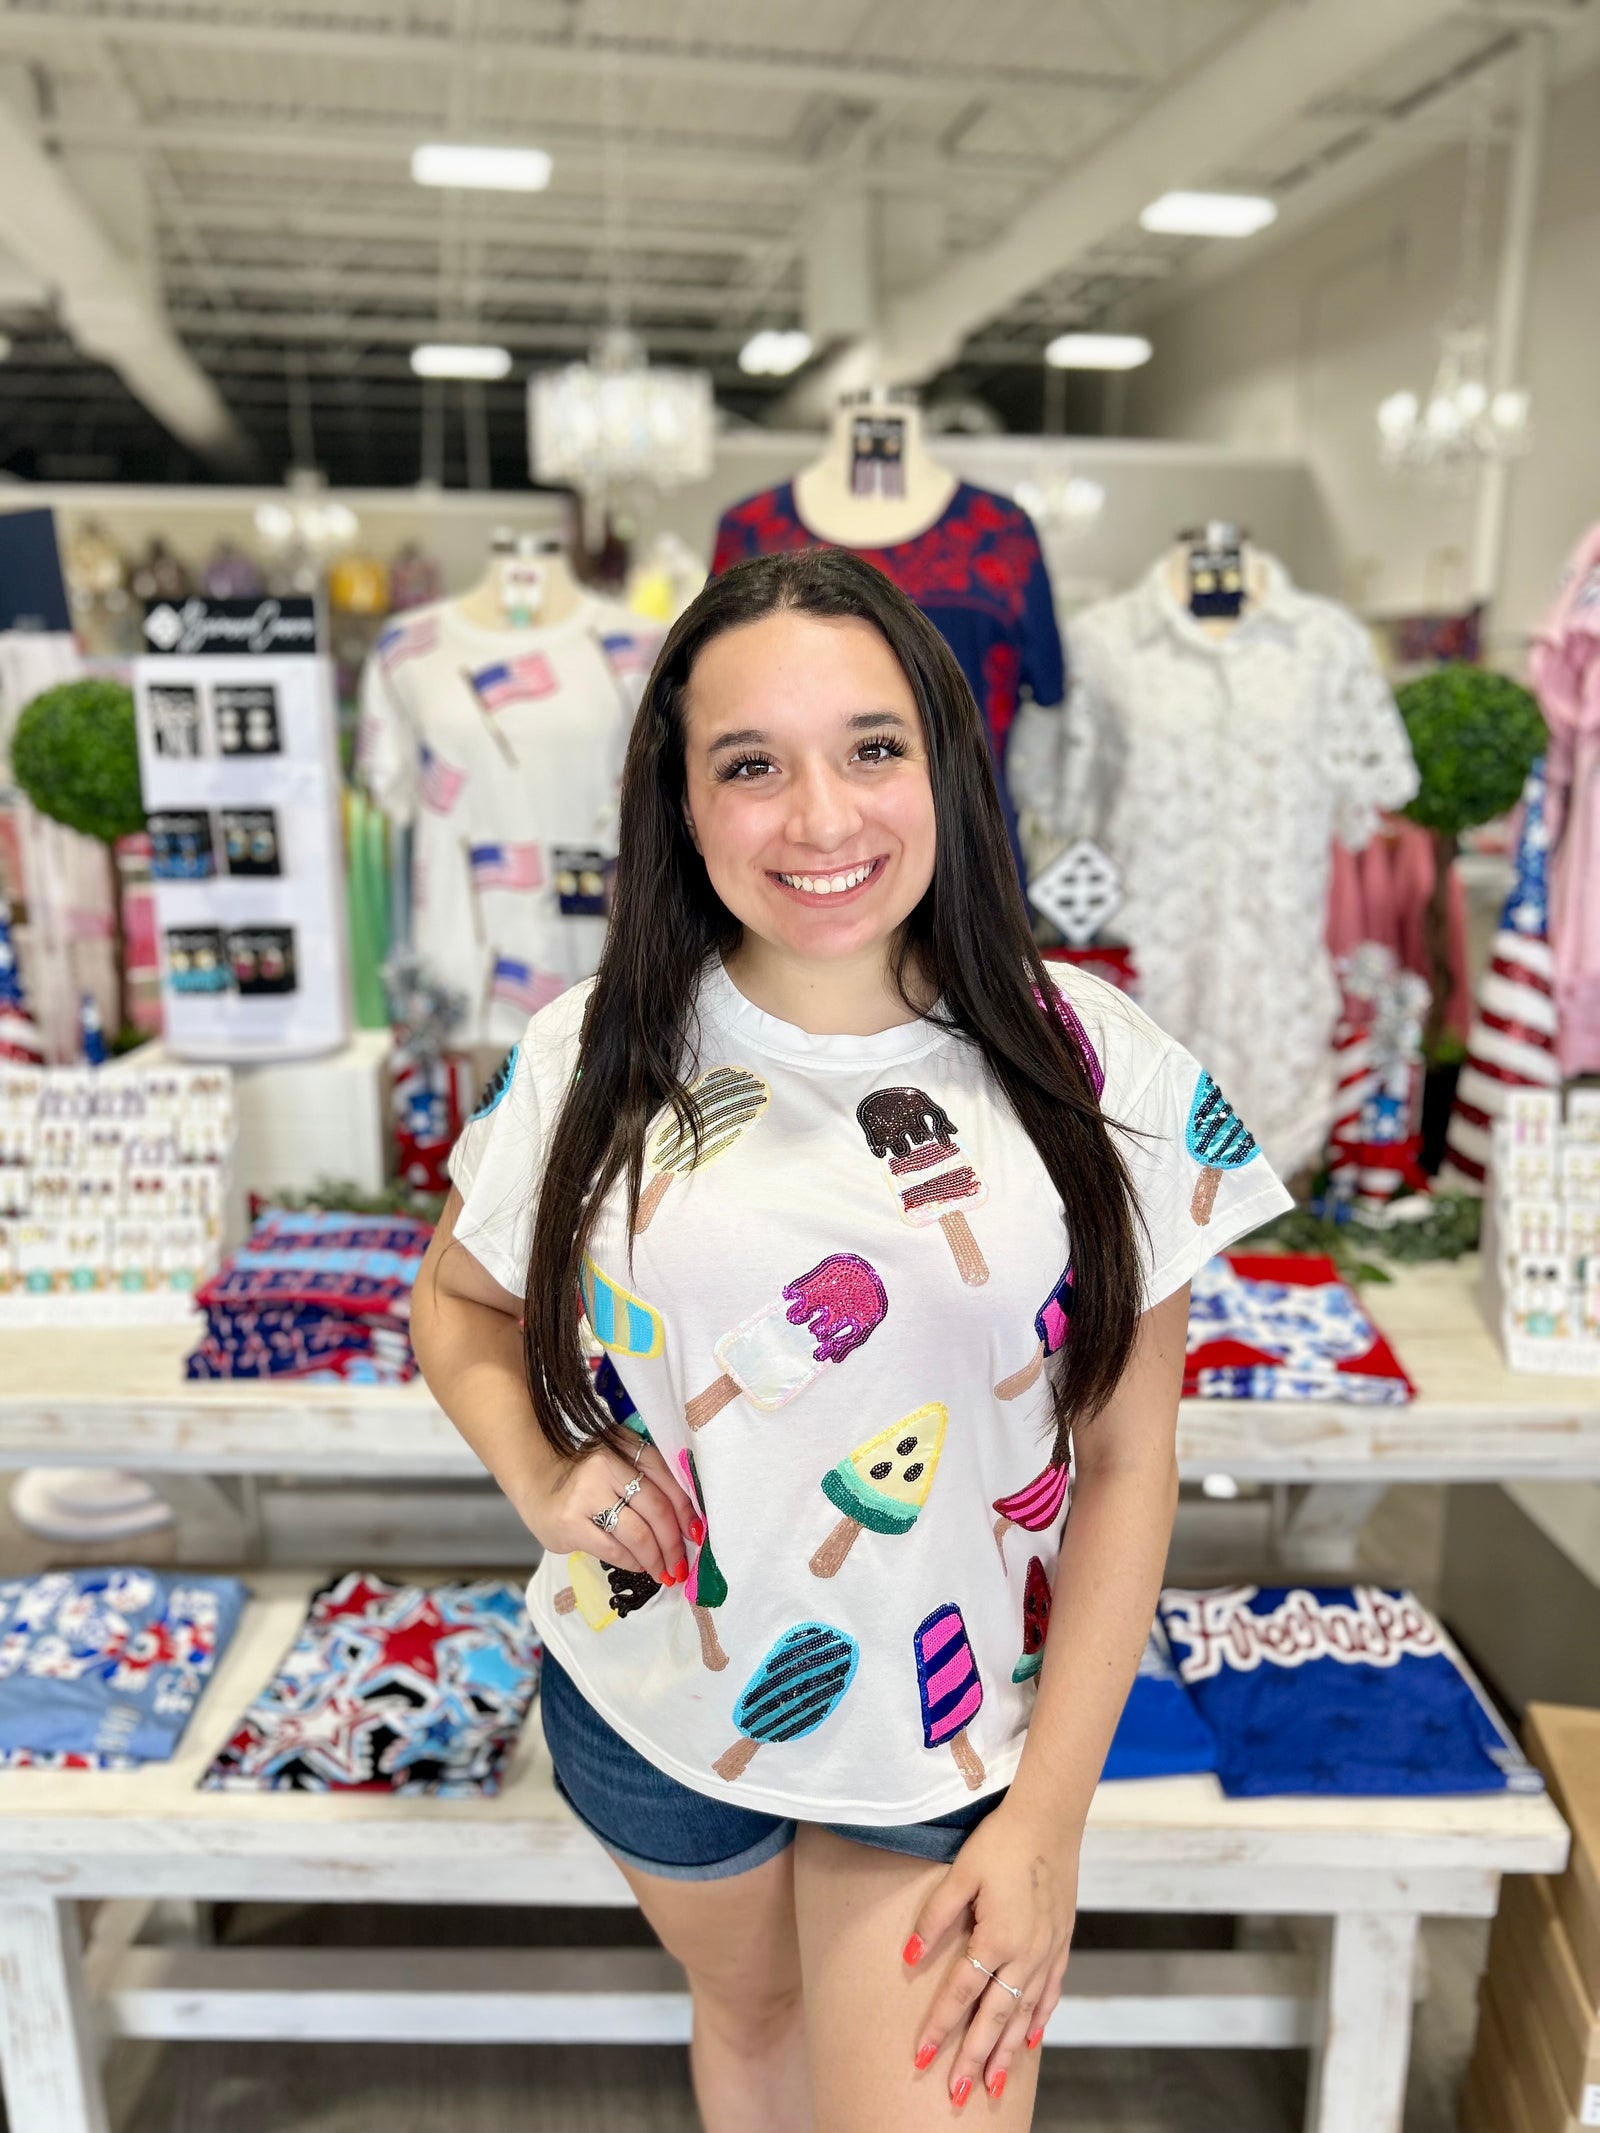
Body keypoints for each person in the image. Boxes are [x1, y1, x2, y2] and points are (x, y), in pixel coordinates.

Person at [411, 549, 1289, 2130]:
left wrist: (1048, 1825)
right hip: (654, 1704)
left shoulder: (1103, 1060)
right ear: (683, 801)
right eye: (752, 765)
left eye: (872, 748)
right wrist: (542, 1474)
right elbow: (455, 1305)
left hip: (949, 1748)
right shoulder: (593, 1047)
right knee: (754, 2030)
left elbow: (1128, 1459)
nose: (821, 818)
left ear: (946, 761)